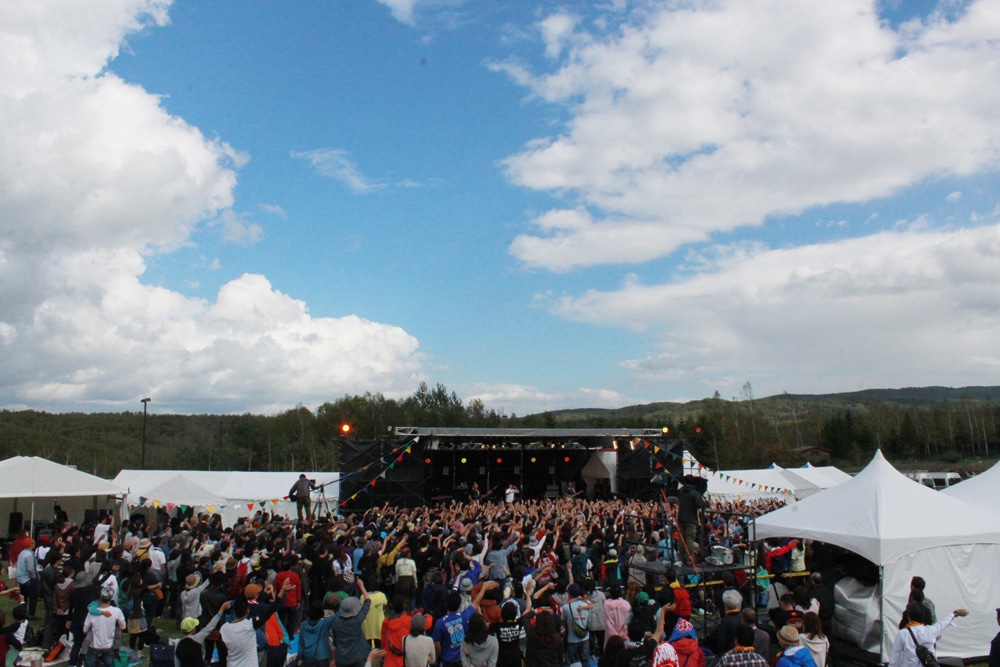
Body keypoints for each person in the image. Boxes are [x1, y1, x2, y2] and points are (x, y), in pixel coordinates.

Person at [889, 603, 968, 667]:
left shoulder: (902, 634)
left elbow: (895, 658)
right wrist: (955, 613)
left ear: (909, 617)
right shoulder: (931, 630)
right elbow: (943, 623)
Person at [174, 601, 231, 667]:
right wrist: (221, 610)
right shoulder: (197, 639)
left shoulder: (178, 643)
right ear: (193, 628)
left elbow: (177, 662)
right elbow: (210, 626)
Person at [331, 582, 374, 667]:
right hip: (358, 657)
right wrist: (361, 586)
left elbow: (335, 642)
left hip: (342, 658)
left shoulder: (336, 622)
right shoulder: (357, 620)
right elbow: (367, 602)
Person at [82, 587, 126, 667]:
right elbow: (123, 627)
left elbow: (85, 630)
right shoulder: (117, 611)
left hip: (93, 645)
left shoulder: (92, 612)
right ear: (111, 598)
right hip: (108, 645)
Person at [299, 601, 337, 667]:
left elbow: (301, 643)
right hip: (322, 656)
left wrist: (300, 657)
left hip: (307, 656)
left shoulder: (303, 625)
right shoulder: (325, 624)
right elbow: (337, 616)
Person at [563, 583, 593, 667]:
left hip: (572, 638)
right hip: (585, 636)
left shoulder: (566, 607)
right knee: (585, 660)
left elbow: (563, 620)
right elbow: (589, 621)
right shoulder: (587, 606)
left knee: (568, 661)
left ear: (569, 594)